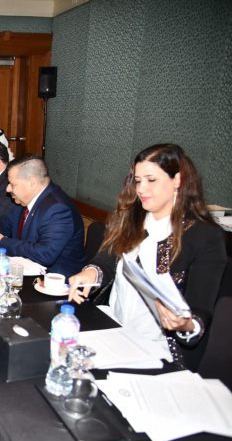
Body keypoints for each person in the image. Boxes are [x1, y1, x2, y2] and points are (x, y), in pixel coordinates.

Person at [68, 144, 226, 369]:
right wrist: (91, 272)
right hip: (114, 329)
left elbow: (201, 310)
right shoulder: (130, 218)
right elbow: (107, 259)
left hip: (159, 350)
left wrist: (185, 324)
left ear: (177, 180)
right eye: (137, 180)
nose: (141, 188)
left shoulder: (204, 237)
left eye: (151, 180)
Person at [0, 155, 85, 277]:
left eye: (12, 184)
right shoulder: (23, 199)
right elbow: (5, 222)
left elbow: (45, 254)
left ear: (32, 183)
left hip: (54, 280)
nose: (8, 189)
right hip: (26, 269)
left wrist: (1, 242)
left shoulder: (58, 209)